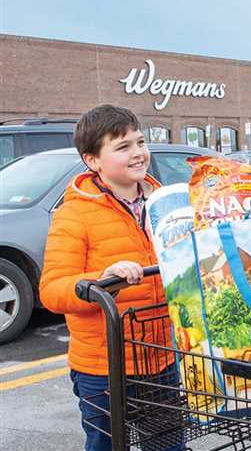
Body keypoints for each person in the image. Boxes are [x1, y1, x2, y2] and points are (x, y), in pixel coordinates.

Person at [39, 105, 182, 451]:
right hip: (103, 368)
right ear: (93, 161)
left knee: (167, 446)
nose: (138, 153)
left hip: (160, 359)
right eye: (122, 147)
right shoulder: (74, 214)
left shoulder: (164, 205)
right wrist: (101, 279)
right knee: (107, 446)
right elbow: (52, 290)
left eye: (140, 142)